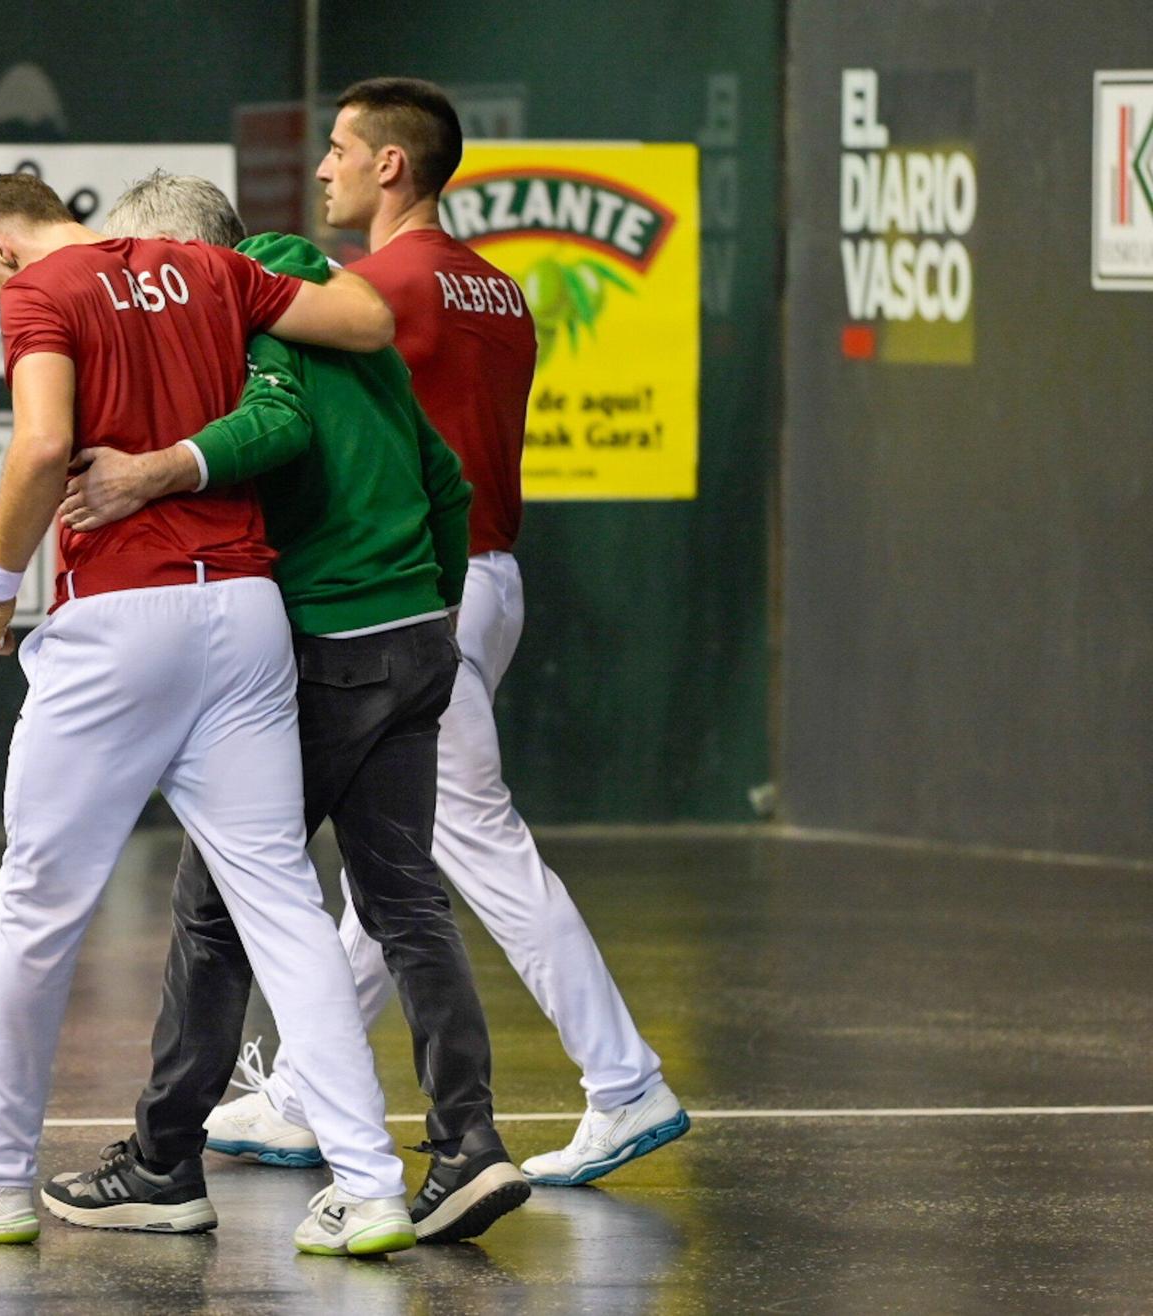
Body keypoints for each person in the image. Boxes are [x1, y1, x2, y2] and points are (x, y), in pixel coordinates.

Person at [0, 172, 418, 1258]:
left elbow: (37, 446)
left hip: (121, 619)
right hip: (247, 614)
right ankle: (369, 1183)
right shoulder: (217, 268)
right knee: (281, 901)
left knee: (37, 903)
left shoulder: (43, 290)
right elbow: (367, 317)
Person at [205, 77, 690, 1187]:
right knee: (394, 847)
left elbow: (294, 411)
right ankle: (295, 1093)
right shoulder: (495, 291)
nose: (320, 167)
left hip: (427, 588)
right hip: (491, 579)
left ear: (389, 166)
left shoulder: (376, 287)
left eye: (336, 149)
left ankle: (621, 1079)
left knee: (468, 839)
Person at [41, 171, 532, 1245]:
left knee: (216, 907)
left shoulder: (239, 318)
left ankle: (165, 1157)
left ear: (181, 257)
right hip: (411, 633)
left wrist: (152, 474)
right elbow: (443, 476)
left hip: (324, 642)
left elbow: (280, 423)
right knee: (405, 900)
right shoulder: (346, 317)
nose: (130, 293)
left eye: (134, 267)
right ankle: (469, 1144)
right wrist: (432, 613)